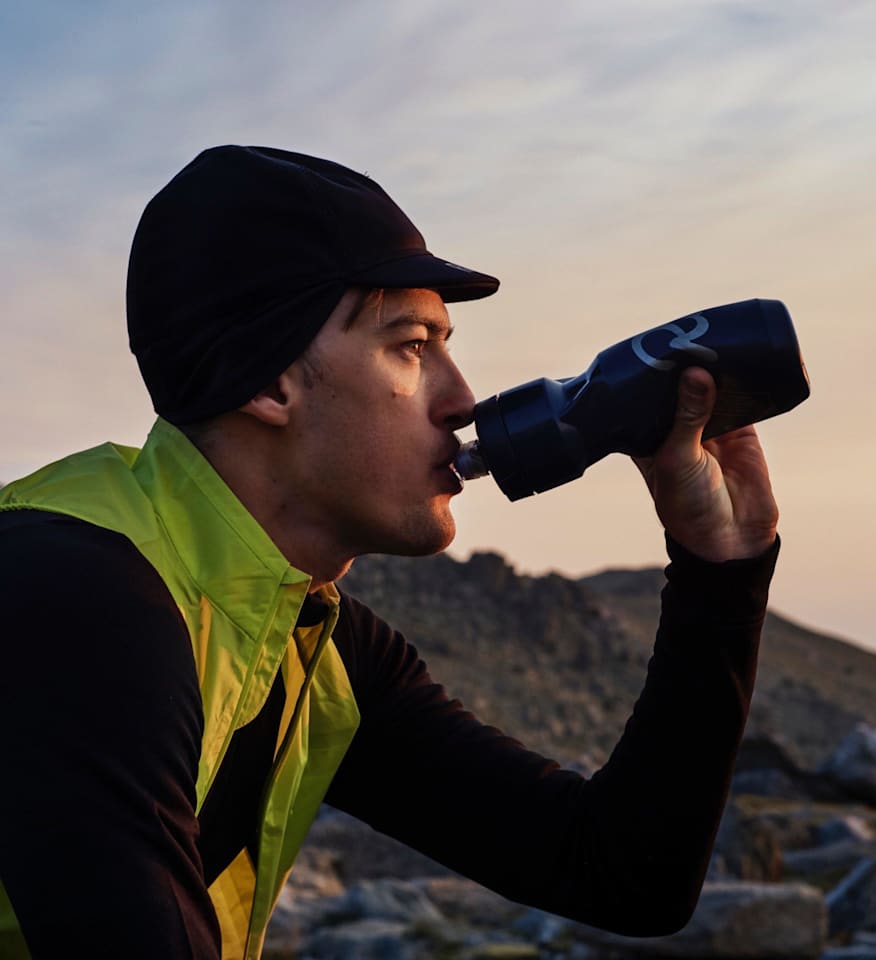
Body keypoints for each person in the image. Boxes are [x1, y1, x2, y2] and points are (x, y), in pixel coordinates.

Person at [0, 146, 780, 960]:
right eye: (412, 345)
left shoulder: (314, 638)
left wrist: (719, 568)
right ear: (269, 381)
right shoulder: (77, 595)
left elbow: (621, 874)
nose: (462, 398)